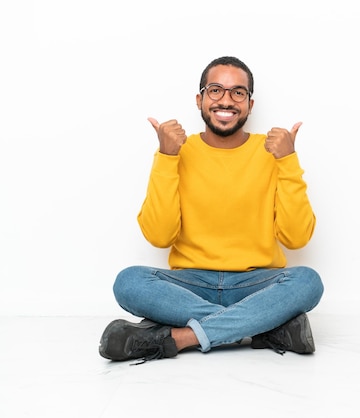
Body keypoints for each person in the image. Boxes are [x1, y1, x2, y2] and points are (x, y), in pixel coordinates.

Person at [99, 56, 324, 364]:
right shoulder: (177, 150)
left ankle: (179, 338)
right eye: (215, 90)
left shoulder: (272, 152)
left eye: (238, 92)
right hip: (191, 285)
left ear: (250, 103)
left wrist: (287, 160)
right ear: (200, 99)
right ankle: (264, 328)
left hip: (255, 283)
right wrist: (166, 157)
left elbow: (296, 238)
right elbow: (159, 236)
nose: (226, 100)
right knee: (129, 282)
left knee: (308, 282)